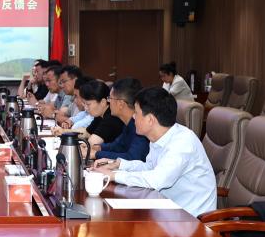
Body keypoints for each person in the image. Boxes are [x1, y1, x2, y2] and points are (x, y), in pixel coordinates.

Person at [97, 87, 216, 216]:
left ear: (150, 120)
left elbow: (156, 180)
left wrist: (114, 176)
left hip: (190, 219)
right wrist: (118, 165)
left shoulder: (182, 143)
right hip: (167, 210)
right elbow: (151, 167)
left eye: (136, 113)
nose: (133, 117)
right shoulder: (160, 136)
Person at [92, 78, 149, 163]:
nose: (108, 102)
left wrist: (96, 154)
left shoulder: (140, 126)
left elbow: (133, 158)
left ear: (120, 104)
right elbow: (118, 146)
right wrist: (99, 148)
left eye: (110, 98)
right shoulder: (128, 122)